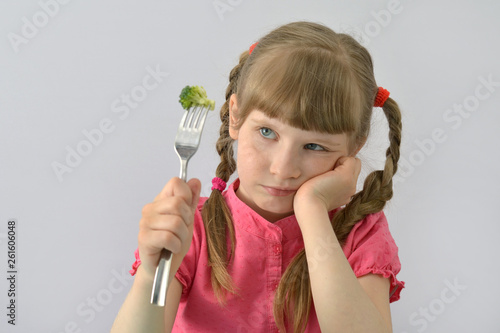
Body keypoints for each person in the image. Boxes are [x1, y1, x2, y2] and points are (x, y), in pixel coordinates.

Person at [111, 21, 404, 333]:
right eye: (267, 132)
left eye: (314, 146)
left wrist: (312, 209)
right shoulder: (192, 229)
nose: (282, 168)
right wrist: (151, 275)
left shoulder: (361, 235)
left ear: (354, 147)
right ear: (235, 116)